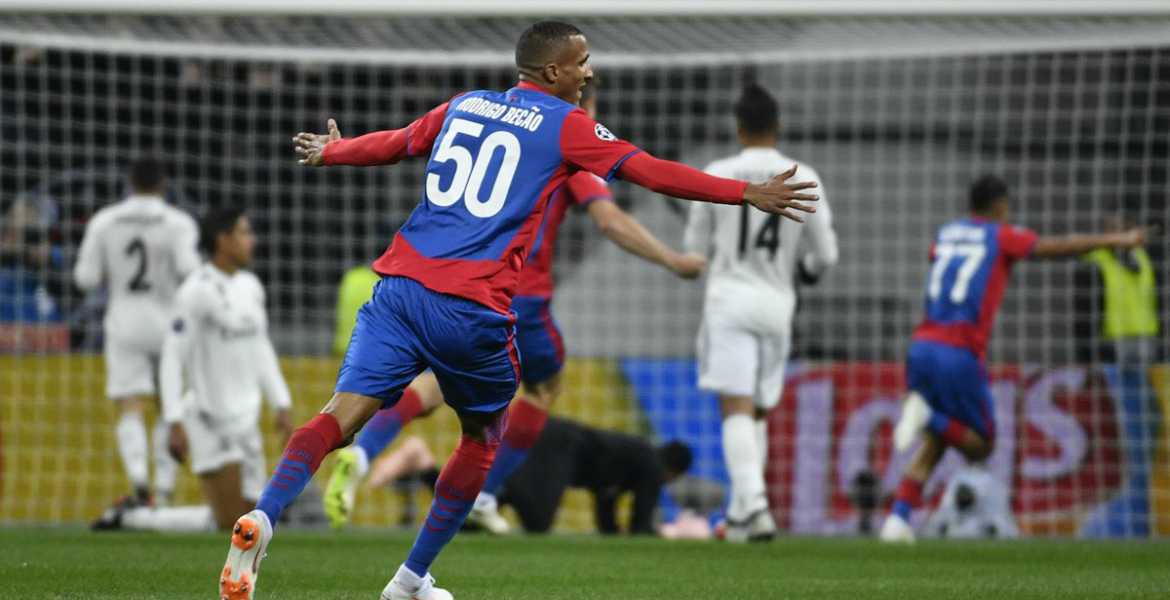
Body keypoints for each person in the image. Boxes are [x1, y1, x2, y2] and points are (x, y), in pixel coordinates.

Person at [221, 21, 817, 600]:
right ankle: (409, 580)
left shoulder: (466, 104)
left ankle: (264, 515)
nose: (589, 72)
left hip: (399, 289)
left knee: (339, 416)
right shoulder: (566, 125)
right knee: (483, 438)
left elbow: (399, 143)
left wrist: (334, 152)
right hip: (471, 307)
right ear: (553, 71)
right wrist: (745, 192)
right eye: (582, 62)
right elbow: (649, 171)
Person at [322, 81, 707, 534]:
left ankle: (363, 451)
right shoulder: (569, 143)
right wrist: (674, 260)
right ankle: (485, 494)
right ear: (582, 104)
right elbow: (610, 221)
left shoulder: (498, 127)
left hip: (455, 283)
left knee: (435, 385)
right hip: (517, 295)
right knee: (545, 386)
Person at [881, 174, 1146, 543]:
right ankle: (927, 415)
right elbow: (1058, 247)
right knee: (982, 443)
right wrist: (1116, 239)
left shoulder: (945, 234)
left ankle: (897, 520)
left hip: (922, 345)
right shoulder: (1001, 235)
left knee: (939, 441)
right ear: (1000, 206)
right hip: (960, 350)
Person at [684, 83, 838, 543]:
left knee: (735, 405)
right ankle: (739, 519)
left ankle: (755, 506)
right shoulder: (803, 174)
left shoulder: (717, 172)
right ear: (778, 126)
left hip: (729, 298)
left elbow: (694, 251)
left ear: (738, 128)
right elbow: (826, 255)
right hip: (778, 302)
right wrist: (805, 271)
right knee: (758, 410)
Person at [92, 208, 293, 532]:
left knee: (247, 523)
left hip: (247, 420)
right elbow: (172, 357)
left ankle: (132, 517)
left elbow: (261, 347)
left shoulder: (251, 286)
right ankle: (132, 517)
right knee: (233, 524)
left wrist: (280, 402)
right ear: (223, 240)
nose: (252, 240)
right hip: (208, 418)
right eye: (244, 233)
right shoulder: (195, 291)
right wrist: (174, 419)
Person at [73, 157, 200, 507]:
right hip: (169, 324)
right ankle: (165, 489)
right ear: (163, 185)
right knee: (169, 405)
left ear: (129, 183)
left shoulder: (105, 221)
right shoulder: (178, 223)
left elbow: (84, 278)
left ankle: (139, 479)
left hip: (124, 323)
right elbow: (190, 271)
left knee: (130, 405)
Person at [367, 418, 691, 535]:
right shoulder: (651, 464)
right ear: (673, 472)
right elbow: (640, 524)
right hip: (558, 445)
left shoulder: (635, 459)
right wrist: (665, 534)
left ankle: (424, 464)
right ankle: (495, 489)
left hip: (554, 441)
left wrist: (612, 532)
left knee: (471, 524)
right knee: (538, 522)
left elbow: (606, 502)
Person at [922, 466, 1018, 539]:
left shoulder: (985, 516)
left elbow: (1005, 532)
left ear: (974, 497)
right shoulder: (946, 515)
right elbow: (930, 532)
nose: (964, 497)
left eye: (966, 494)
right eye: (962, 495)